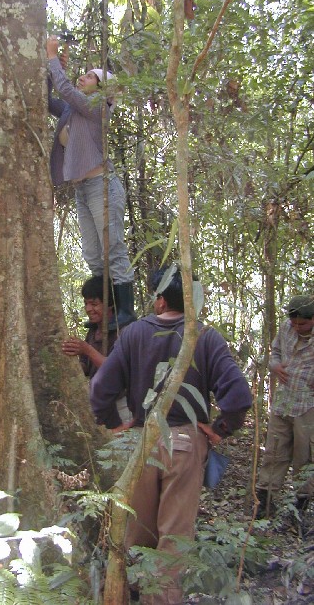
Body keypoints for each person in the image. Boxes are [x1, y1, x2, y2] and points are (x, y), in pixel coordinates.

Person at [89, 266, 252, 605]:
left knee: (137, 530)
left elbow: (100, 389)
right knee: (174, 535)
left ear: (160, 300)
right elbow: (237, 396)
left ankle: (130, 591)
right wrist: (220, 429)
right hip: (185, 442)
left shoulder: (133, 334)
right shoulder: (205, 336)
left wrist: (115, 425)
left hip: (142, 439)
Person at [46, 35, 135, 328]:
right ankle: (107, 312)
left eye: (89, 76)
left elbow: (68, 91)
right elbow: (49, 101)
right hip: (83, 188)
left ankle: (125, 313)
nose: (82, 78)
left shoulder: (97, 107)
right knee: (93, 255)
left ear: (102, 88)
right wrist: (52, 70)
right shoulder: (74, 110)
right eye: (83, 74)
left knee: (113, 250)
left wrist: (50, 57)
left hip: (102, 185)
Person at [256, 294, 314, 518]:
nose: (297, 327)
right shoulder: (285, 328)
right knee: (274, 452)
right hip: (282, 403)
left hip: (307, 405)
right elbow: (276, 352)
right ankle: (265, 503)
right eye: (294, 323)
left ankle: (299, 508)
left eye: (303, 324)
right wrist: (274, 366)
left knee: (305, 458)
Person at [62, 276, 131, 424]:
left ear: (110, 305)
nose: (88, 309)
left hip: (121, 405)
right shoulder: (93, 331)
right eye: (86, 303)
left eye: (94, 304)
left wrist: (87, 349)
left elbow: (115, 369)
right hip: (99, 404)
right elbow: (86, 367)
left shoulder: (123, 332)